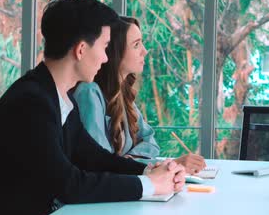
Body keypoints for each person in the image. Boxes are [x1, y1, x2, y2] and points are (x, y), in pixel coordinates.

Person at [0, 0, 185, 215]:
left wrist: (149, 171)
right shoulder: (31, 102)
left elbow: (92, 156)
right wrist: (150, 185)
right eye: (104, 47)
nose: (105, 58)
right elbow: (69, 185)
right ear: (81, 50)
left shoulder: (56, 96)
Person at [74, 17, 207, 175]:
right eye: (136, 45)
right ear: (115, 51)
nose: (145, 50)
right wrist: (167, 165)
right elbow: (99, 163)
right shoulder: (89, 92)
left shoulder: (122, 95)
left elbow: (150, 140)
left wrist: (128, 160)